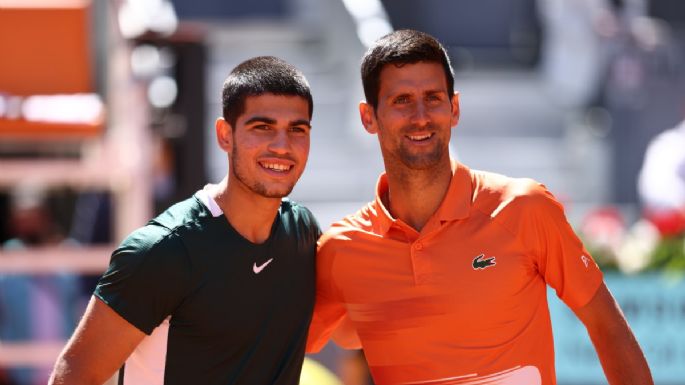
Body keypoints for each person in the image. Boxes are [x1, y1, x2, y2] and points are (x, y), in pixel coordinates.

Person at [307, 30, 653, 385]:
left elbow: (606, 325)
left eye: (433, 98)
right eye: (402, 101)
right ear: (368, 117)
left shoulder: (523, 207)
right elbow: (283, 346)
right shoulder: (342, 248)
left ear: (454, 108)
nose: (421, 115)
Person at [49, 56, 321, 385]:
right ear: (225, 135)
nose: (282, 146)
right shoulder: (162, 250)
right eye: (262, 127)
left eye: (297, 130)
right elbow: (73, 375)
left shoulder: (302, 232)